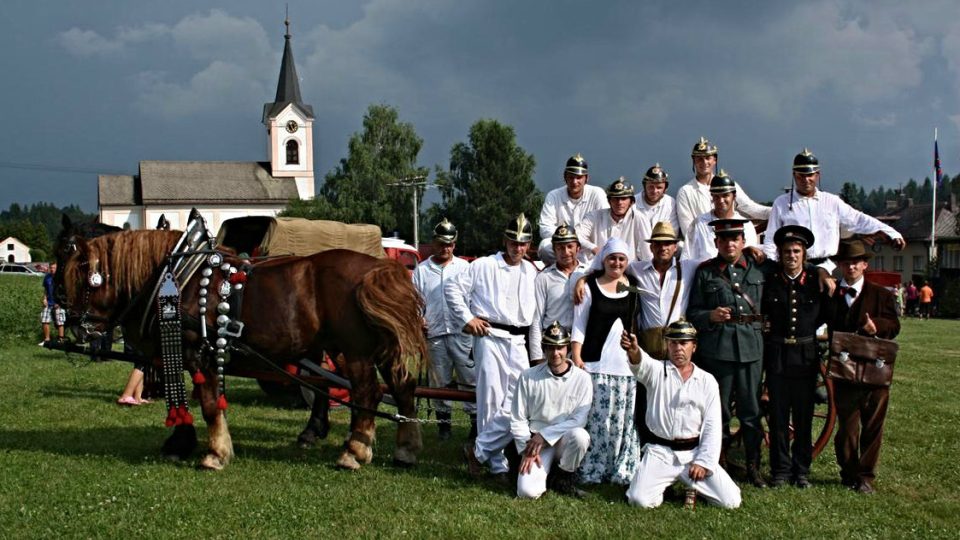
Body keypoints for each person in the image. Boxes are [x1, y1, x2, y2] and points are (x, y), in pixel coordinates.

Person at [621, 319, 742, 509]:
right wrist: (633, 349)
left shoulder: (707, 381)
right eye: (673, 343)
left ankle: (695, 488)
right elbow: (640, 362)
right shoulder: (657, 371)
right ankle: (662, 487)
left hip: (693, 454)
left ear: (694, 346)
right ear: (667, 345)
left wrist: (703, 462)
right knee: (639, 500)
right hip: (660, 452)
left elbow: (712, 426)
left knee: (731, 501)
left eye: (684, 343)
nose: (678, 348)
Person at [452, 213, 538, 476]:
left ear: (529, 244)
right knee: (491, 398)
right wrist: (468, 319)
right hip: (489, 336)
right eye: (513, 241)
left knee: (520, 401)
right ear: (505, 240)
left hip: (519, 340)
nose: (518, 247)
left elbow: (535, 318)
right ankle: (497, 464)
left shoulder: (532, 271)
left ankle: (478, 450)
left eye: (523, 243)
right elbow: (453, 289)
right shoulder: (483, 265)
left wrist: (535, 354)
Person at [685, 218, 768, 487]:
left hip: (751, 350)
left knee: (751, 410)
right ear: (716, 243)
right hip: (717, 351)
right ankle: (718, 465)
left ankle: (753, 467)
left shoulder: (759, 268)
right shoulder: (706, 272)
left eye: (735, 239)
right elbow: (693, 313)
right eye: (724, 240)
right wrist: (711, 314)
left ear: (743, 242)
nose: (729, 244)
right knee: (717, 412)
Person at [761, 225, 831, 488]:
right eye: (786, 251)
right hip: (778, 355)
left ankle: (801, 471)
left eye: (796, 251)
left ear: (804, 254)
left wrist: (821, 270)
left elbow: (825, 314)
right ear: (779, 254)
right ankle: (780, 470)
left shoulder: (815, 281)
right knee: (778, 417)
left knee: (803, 417)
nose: (791, 255)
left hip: (805, 356)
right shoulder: (771, 280)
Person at [828, 239, 900, 494]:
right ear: (840, 265)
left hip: (875, 370)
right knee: (847, 426)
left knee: (873, 425)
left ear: (864, 265)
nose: (851, 267)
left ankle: (866, 477)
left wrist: (876, 326)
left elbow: (894, 326)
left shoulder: (881, 294)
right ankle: (848, 471)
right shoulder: (832, 293)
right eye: (846, 263)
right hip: (844, 371)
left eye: (856, 262)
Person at [761, 149, 906, 270]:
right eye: (801, 176)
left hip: (828, 266)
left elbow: (858, 219)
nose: (806, 180)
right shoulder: (781, 203)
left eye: (810, 175)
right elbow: (771, 239)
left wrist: (891, 233)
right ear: (794, 176)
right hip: (795, 267)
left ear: (817, 175)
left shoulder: (831, 201)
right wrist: (772, 266)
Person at [571, 238, 642, 485]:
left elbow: (635, 320)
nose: (617, 263)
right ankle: (594, 466)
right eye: (612, 258)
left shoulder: (632, 285)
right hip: (595, 364)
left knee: (622, 418)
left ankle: (619, 467)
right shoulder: (590, 285)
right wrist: (577, 355)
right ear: (604, 260)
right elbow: (579, 324)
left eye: (622, 259)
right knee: (597, 418)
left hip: (624, 366)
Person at [508, 321, 593, 499]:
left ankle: (564, 479)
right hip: (535, 443)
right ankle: (544, 475)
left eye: (560, 348)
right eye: (550, 348)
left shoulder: (583, 379)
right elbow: (518, 418)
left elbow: (579, 420)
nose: (556, 353)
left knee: (581, 436)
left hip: (563, 439)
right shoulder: (528, 376)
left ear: (568, 348)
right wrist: (526, 449)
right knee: (527, 493)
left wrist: (545, 435)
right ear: (544, 349)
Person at [412, 218, 476, 440]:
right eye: (441, 243)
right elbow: (416, 301)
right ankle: (444, 427)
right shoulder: (422, 270)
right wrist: (419, 320)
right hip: (435, 334)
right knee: (439, 381)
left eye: (449, 244)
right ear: (433, 243)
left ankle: (474, 427)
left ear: (454, 245)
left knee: (470, 380)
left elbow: (473, 299)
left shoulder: (465, 268)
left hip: (463, 334)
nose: (445, 248)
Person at [675, 137, 770, 240]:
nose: (704, 162)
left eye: (708, 158)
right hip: (703, 246)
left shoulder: (728, 185)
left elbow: (750, 208)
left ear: (714, 160)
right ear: (694, 161)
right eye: (699, 159)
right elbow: (688, 231)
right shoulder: (685, 192)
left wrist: (777, 210)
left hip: (730, 242)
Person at [528, 224, 587, 365]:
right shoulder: (544, 277)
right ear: (554, 250)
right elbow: (536, 319)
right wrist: (537, 357)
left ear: (578, 248)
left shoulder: (588, 273)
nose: (565, 252)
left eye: (569, 246)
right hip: (552, 343)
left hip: (581, 344)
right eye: (560, 247)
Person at [537, 154, 608, 264]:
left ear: (587, 178)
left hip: (590, 250)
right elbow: (545, 228)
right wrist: (567, 241)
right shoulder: (554, 196)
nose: (574, 182)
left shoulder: (597, 194)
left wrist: (589, 246)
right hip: (563, 248)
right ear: (565, 177)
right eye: (571, 177)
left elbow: (605, 224)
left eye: (579, 177)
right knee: (545, 247)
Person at [682, 170, 760, 263]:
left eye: (725, 195)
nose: (721, 200)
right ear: (712, 197)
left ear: (734, 196)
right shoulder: (699, 223)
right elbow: (687, 259)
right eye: (717, 196)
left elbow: (750, 261)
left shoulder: (746, 225)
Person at [578, 177, 650, 264]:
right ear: (609, 201)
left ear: (631, 202)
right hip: (600, 269)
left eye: (623, 198)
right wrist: (593, 248)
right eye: (615, 198)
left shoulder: (640, 218)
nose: (619, 202)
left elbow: (647, 252)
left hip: (628, 270)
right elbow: (577, 236)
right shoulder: (594, 216)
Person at [635, 164, 679, 261]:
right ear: (644, 186)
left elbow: (672, 233)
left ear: (665, 188)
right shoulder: (632, 203)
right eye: (651, 187)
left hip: (662, 253)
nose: (654, 191)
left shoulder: (671, 203)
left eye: (659, 187)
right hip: (635, 257)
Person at [40, 262, 65, 346]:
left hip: (58, 303)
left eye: (54, 268)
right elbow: (45, 290)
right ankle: (47, 339)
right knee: (44, 320)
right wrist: (44, 298)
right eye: (51, 268)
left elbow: (65, 292)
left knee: (60, 321)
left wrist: (60, 302)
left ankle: (61, 340)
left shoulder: (61, 278)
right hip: (48, 302)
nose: (52, 269)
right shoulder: (47, 277)